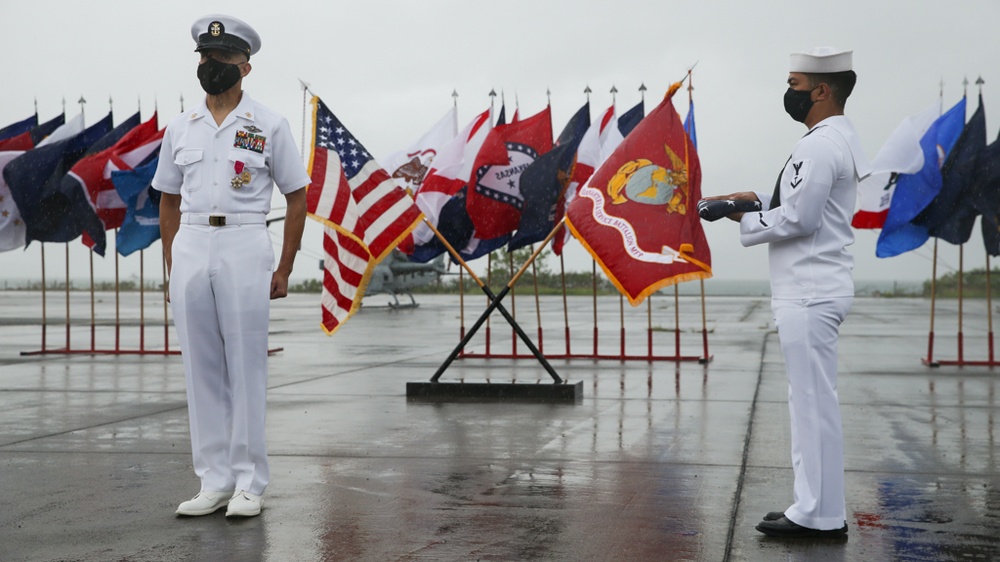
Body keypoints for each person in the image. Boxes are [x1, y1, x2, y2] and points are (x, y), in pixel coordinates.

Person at [704, 47, 871, 538]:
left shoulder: (819, 145)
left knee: (812, 404)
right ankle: (815, 506)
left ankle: (819, 515)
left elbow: (801, 217)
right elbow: (797, 204)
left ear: (822, 90)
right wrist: (749, 203)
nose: (789, 92)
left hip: (810, 291)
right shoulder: (834, 139)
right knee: (811, 403)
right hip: (814, 287)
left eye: (795, 84)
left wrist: (741, 215)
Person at [152, 14, 310, 518]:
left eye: (221, 58)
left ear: (245, 66)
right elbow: (168, 201)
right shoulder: (181, 126)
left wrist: (285, 266)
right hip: (193, 241)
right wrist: (172, 266)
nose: (211, 65)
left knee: (246, 365)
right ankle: (213, 479)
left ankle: (249, 482)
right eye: (205, 57)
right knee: (200, 367)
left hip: (245, 239)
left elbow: (297, 195)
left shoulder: (268, 124)